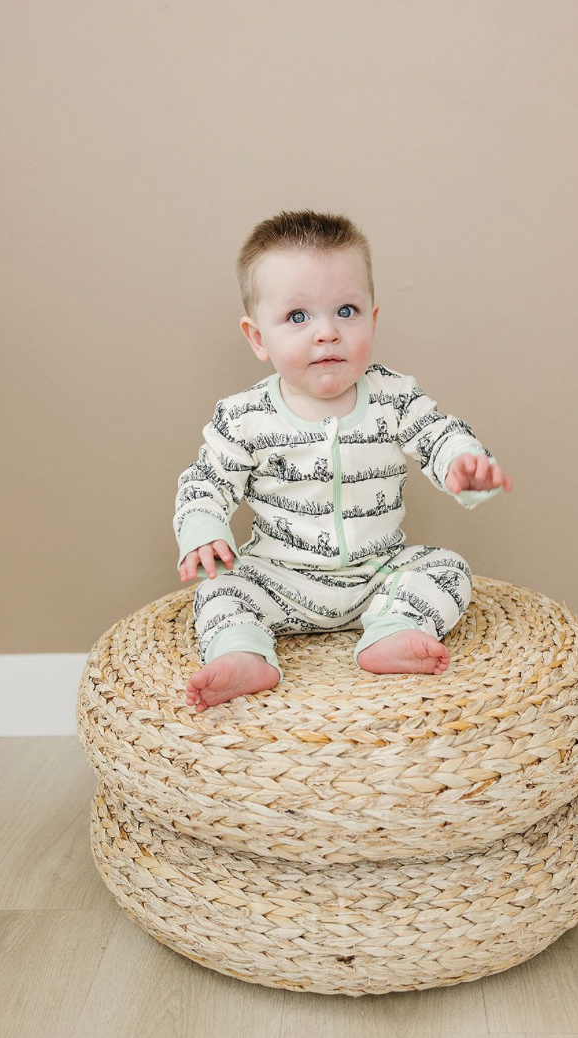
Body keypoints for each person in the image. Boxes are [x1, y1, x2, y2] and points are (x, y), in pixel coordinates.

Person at [174, 209, 513, 712]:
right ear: (257, 338)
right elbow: (207, 479)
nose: (327, 333)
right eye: (297, 317)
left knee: (447, 567)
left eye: (347, 311)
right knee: (219, 591)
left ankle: (393, 630)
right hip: (280, 578)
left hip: (378, 574)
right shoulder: (244, 415)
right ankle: (243, 652)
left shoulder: (394, 396)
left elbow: (439, 433)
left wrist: (463, 463)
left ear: (372, 319)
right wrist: (202, 527)